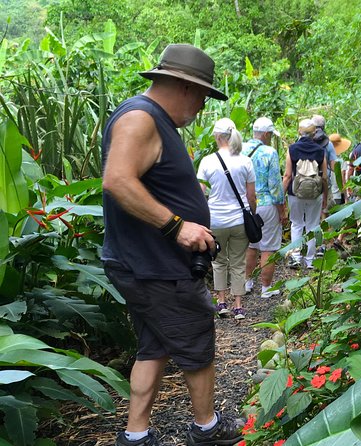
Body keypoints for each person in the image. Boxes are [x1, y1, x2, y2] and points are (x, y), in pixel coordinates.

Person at [101, 44, 244, 446]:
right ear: (184, 87)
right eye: (202, 96)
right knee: (196, 335)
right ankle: (207, 428)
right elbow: (117, 180)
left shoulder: (153, 119)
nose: (201, 106)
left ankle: (136, 434)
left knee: (155, 344)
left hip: (148, 263)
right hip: (155, 266)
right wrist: (177, 227)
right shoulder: (140, 118)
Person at [197, 119, 256, 320]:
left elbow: (200, 193)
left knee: (219, 262)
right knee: (238, 263)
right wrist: (252, 214)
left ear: (217, 136)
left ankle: (222, 302)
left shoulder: (207, 161)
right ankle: (238, 306)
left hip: (216, 221)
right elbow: (251, 196)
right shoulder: (245, 161)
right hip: (239, 220)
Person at [241, 117, 285, 298]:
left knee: (251, 245)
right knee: (268, 247)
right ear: (266, 134)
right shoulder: (270, 152)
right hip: (266, 204)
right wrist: (282, 209)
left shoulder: (240, 149)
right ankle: (266, 288)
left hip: (246, 205)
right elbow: (275, 185)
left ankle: (247, 283)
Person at [283, 119, 328, 269]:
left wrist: (281, 196)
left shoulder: (292, 149)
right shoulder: (320, 151)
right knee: (313, 225)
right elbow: (325, 177)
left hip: (295, 193)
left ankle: (296, 256)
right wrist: (325, 198)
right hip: (315, 194)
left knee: (296, 224)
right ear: (314, 133)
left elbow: (288, 175)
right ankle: (310, 260)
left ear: (299, 132)